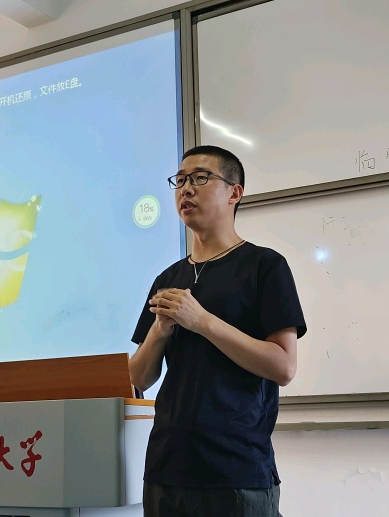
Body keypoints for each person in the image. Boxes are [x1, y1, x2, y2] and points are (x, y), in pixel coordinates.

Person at [129, 145, 307, 517]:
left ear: (234, 193)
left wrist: (203, 322)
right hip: (165, 468)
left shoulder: (264, 266)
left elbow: (283, 366)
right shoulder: (167, 278)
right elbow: (139, 378)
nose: (186, 189)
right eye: (180, 180)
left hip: (235, 470)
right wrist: (159, 330)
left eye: (200, 178)